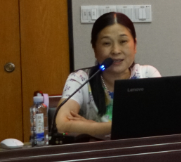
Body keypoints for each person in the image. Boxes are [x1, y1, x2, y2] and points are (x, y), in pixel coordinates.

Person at [55, 11, 160, 139]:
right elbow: (60, 125)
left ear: (135, 45)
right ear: (94, 48)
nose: (116, 50)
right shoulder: (80, 79)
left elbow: (161, 123)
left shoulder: (147, 75)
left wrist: (92, 127)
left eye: (123, 41)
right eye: (106, 43)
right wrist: (115, 127)